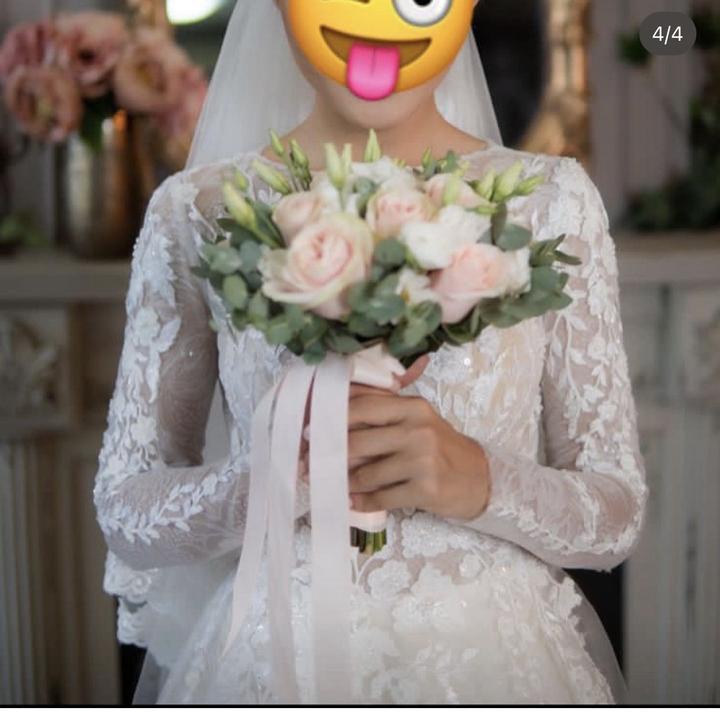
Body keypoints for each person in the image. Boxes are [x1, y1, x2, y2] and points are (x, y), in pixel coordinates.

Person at [93, 0, 648, 704]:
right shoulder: (197, 210)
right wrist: (272, 480)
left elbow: (615, 510)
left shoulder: (550, 203)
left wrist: (479, 479)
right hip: (274, 660)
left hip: (491, 661)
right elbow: (125, 506)